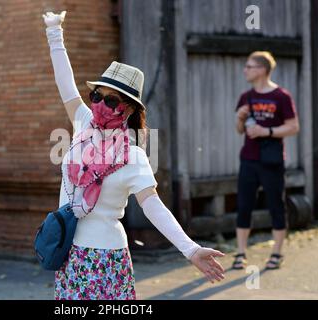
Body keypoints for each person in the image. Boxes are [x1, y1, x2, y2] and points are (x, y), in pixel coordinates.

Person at [43, 11, 225, 300]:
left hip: (106, 259)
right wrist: (55, 33)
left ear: (127, 109)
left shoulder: (134, 156)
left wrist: (190, 249)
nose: (100, 104)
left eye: (111, 100)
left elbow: (154, 207)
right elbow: (65, 84)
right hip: (69, 252)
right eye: (97, 96)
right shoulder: (83, 124)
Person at [233, 52, 300, 270]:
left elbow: (293, 127)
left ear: (262, 69)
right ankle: (240, 253)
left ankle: (276, 254)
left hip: (271, 162)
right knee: (244, 206)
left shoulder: (281, 96)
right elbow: (239, 131)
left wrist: (267, 130)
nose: (245, 70)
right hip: (248, 159)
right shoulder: (246, 96)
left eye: (249, 66)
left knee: (276, 206)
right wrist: (240, 118)